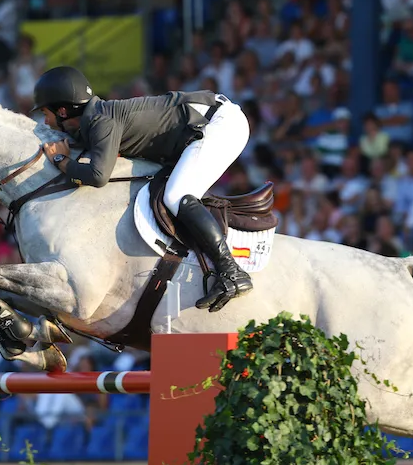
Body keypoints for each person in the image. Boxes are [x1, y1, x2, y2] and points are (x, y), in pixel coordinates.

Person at [32, 66, 253, 312]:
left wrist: (60, 161)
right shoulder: (94, 120)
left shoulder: (101, 120)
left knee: (176, 195)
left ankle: (231, 271)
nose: (45, 121)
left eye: (46, 113)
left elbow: (97, 176)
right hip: (204, 124)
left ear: (62, 110)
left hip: (219, 124)